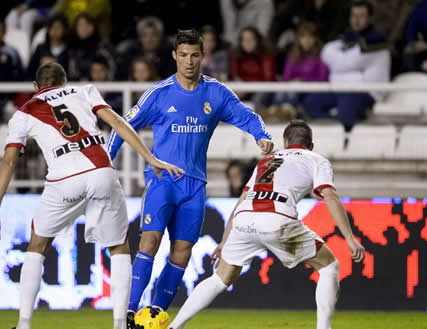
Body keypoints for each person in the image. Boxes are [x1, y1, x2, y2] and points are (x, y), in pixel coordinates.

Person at [0, 62, 184, 329]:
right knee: (119, 245)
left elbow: (8, 163)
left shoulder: (25, 111)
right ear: (64, 83)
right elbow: (117, 123)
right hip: (101, 172)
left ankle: (24, 323)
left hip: (63, 180)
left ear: (35, 87)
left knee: (37, 246)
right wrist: (150, 157)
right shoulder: (84, 91)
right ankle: (121, 324)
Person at [106, 29, 273, 327]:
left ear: (203, 55)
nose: (189, 61)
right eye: (183, 55)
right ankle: (128, 314)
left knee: (181, 253)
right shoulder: (159, 93)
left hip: (195, 186)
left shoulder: (216, 93)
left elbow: (246, 115)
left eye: (194, 55)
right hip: (162, 181)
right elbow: (122, 125)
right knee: (149, 242)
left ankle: (152, 316)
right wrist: (106, 163)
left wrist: (261, 136)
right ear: (174, 56)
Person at [168, 120, 365, 329]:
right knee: (329, 266)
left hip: (244, 219)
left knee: (220, 278)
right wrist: (350, 239)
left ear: (286, 142)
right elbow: (330, 196)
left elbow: (241, 202)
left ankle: (174, 326)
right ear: (311, 145)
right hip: (277, 219)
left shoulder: (266, 161)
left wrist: (225, 241)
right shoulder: (317, 160)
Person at [303, 0, 390, 131]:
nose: (356, 20)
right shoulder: (348, 36)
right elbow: (326, 52)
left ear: (369, 18)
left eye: (361, 16)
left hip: (365, 91)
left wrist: (339, 63)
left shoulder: (375, 40)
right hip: (341, 89)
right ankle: (335, 127)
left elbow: (351, 62)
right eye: (353, 16)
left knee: (345, 115)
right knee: (311, 103)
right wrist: (345, 64)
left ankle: (347, 134)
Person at [265, 22, 328, 121]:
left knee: (292, 90)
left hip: (310, 89)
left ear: (316, 38)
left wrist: (303, 80)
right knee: (281, 89)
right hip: (291, 86)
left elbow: (323, 78)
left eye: (310, 37)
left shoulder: (322, 55)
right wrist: (294, 82)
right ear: (298, 39)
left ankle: (284, 112)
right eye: (303, 37)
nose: (307, 41)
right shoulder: (292, 55)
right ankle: (275, 111)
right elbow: (286, 77)